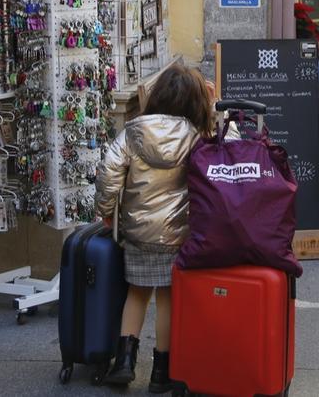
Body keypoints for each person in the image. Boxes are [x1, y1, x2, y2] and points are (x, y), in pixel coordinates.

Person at [94, 64, 216, 393]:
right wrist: (214, 106)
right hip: (178, 234)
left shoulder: (133, 131)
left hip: (136, 232)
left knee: (136, 293)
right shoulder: (195, 136)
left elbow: (108, 175)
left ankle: (124, 362)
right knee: (167, 299)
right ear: (195, 101)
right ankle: (161, 372)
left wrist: (106, 213)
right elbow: (222, 153)